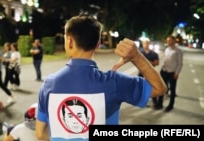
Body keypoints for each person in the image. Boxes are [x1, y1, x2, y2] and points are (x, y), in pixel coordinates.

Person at [35, 15, 167, 140]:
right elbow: (159, 88)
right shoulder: (114, 82)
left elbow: (40, 134)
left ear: (69, 41)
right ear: (98, 43)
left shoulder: (48, 85)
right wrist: (136, 56)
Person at [154, 35, 183, 112]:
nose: (168, 42)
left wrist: (177, 73)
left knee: (172, 90)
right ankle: (160, 103)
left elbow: (180, 64)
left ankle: (171, 105)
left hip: (172, 73)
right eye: (167, 40)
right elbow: (165, 60)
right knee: (162, 88)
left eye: (170, 40)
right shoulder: (166, 49)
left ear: (173, 41)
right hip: (164, 71)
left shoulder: (178, 51)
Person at [138, 39, 159, 107]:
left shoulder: (154, 54)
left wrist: (148, 62)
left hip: (150, 73)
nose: (145, 45)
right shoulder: (140, 53)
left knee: (151, 87)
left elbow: (157, 63)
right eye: (144, 43)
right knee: (141, 87)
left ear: (149, 44)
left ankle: (154, 101)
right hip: (141, 72)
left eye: (147, 43)